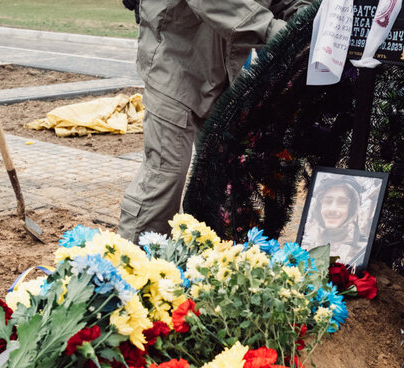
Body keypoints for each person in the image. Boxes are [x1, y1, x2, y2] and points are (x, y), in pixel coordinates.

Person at [118, 0, 312, 242]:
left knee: (221, 179)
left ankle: (210, 266)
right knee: (165, 175)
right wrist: (279, 32)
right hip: (172, 62)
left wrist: (312, 23)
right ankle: (130, 268)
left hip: (224, 72)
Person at [302, 177, 369, 267]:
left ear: (352, 209)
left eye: (342, 202)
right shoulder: (305, 245)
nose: (333, 209)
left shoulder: (361, 249)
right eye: (328, 201)